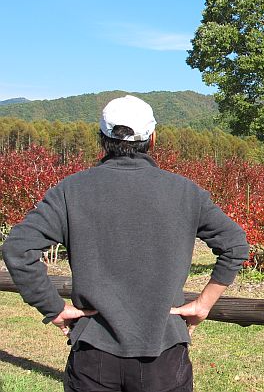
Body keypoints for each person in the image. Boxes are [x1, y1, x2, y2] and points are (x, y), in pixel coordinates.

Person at [2, 95, 249, 391]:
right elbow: (235, 244)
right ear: (153, 139)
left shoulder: (71, 190)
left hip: (94, 354)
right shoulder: (185, 192)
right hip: (165, 354)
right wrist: (203, 304)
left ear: (102, 139)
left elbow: (18, 248)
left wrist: (53, 308)